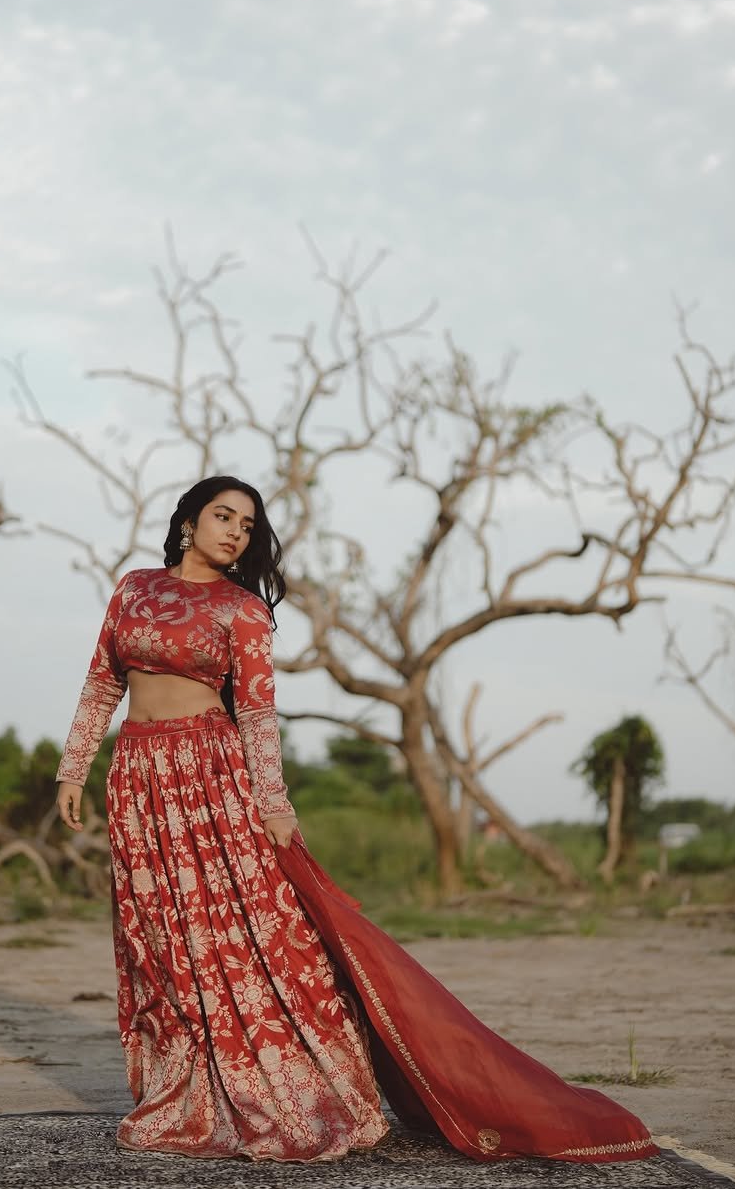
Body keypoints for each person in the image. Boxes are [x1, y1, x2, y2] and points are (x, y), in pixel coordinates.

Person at [56, 475, 658, 1165]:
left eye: (248, 525)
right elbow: (103, 678)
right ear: (188, 521)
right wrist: (74, 766)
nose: (235, 532)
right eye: (223, 516)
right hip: (137, 778)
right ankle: (186, 1092)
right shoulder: (134, 587)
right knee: (160, 939)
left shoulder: (243, 609)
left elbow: (255, 714)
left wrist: (274, 806)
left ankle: (299, 1087)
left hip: (211, 779)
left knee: (242, 938)